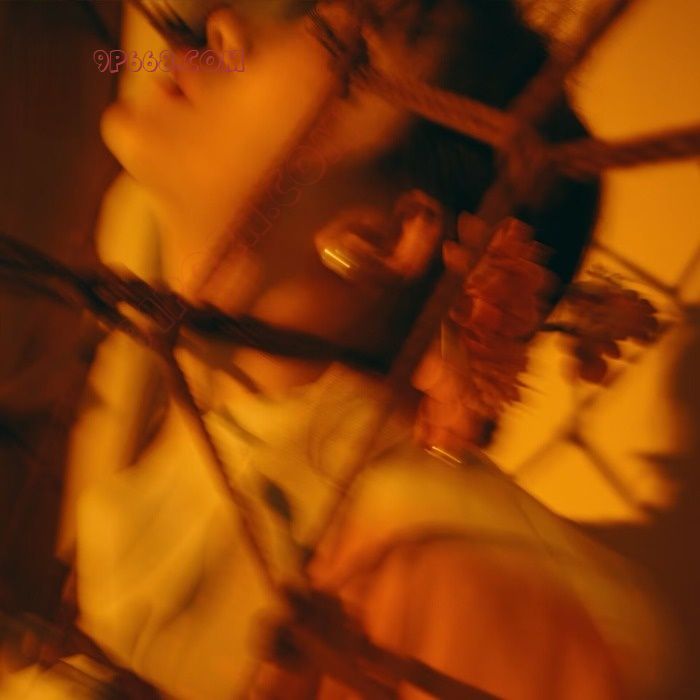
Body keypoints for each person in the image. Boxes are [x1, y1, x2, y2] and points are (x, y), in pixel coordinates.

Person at [53, 0, 672, 697]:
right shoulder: (194, 469)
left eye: (341, 45)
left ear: (389, 237)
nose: (222, 25)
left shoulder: (451, 569)